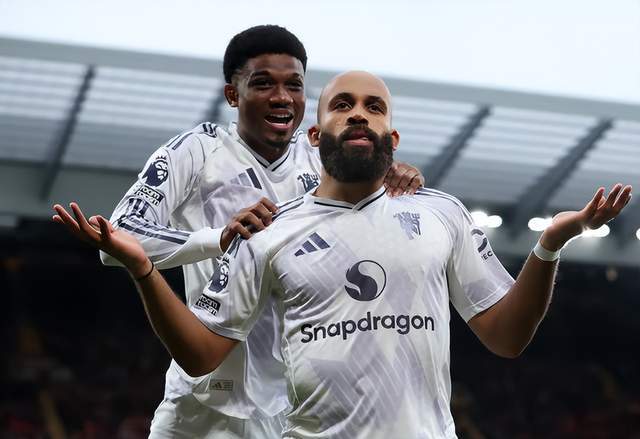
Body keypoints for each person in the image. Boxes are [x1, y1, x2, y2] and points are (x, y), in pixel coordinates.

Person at [54, 70, 632, 438]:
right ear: (314, 135)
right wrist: (143, 269)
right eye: (343, 105)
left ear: (392, 139)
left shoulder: (441, 214)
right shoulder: (268, 232)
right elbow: (202, 353)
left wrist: (549, 246)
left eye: (374, 107)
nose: (359, 112)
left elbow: (506, 337)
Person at [91, 26, 424, 438]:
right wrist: (217, 238)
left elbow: (377, 212)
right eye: (263, 83)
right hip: (201, 407)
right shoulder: (197, 151)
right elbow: (119, 235)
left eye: (294, 85)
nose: (282, 97)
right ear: (233, 95)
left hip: (298, 408)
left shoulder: (322, 158)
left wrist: (400, 177)